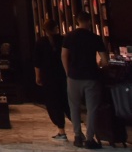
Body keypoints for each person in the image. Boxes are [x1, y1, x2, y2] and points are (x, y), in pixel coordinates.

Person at [62, 11, 106, 149]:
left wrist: (68, 71)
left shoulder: (69, 37)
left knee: (74, 107)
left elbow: (64, 55)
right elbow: (105, 60)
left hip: (73, 76)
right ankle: (89, 138)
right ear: (89, 21)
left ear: (77, 22)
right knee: (91, 109)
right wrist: (99, 66)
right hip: (91, 77)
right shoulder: (95, 38)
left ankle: (77, 136)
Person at [35, 18, 69, 140]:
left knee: (53, 103)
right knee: (67, 102)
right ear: (57, 28)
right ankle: (78, 130)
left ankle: (61, 131)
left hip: (48, 77)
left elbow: (37, 62)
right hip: (63, 76)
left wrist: (37, 76)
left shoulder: (41, 42)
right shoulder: (64, 40)